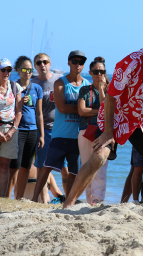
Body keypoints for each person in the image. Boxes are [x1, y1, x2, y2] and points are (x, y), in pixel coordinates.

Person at [63, 23, 143, 208]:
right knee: (98, 157)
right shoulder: (130, 62)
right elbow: (111, 98)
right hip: (117, 117)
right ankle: (68, 206)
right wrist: (109, 132)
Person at [32, 50, 90, 202]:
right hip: (60, 134)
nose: (78, 65)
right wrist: (82, 109)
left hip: (78, 136)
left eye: (81, 62)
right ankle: (33, 198)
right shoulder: (60, 83)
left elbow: (88, 109)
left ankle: (69, 201)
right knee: (47, 167)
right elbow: (62, 108)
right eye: (75, 61)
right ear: (69, 62)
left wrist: (84, 110)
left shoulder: (87, 85)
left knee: (73, 172)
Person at [30, 53, 65, 203]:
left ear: (50, 64)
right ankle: (44, 201)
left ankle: (69, 197)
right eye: (39, 63)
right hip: (41, 131)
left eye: (45, 62)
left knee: (65, 167)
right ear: (35, 66)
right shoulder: (33, 83)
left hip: (60, 129)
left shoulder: (58, 80)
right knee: (41, 167)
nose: (42, 64)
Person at [8, 56, 44, 200]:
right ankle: (6, 196)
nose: (27, 72)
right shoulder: (12, 86)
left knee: (26, 167)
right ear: (18, 70)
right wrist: (20, 102)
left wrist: (41, 135)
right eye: (24, 69)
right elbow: (8, 109)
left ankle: (19, 198)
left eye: (30, 69)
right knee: (14, 166)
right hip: (18, 130)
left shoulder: (37, 88)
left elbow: (39, 113)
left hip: (32, 131)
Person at [77, 57, 110, 205]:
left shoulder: (110, 90)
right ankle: (89, 199)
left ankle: (98, 200)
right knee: (87, 167)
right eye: (96, 71)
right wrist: (99, 112)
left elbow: (107, 109)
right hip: (86, 132)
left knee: (101, 168)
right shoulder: (85, 90)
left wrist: (102, 90)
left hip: (103, 134)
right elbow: (82, 111)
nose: (99, 74)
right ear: (90, 72)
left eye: (102, 71)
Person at [0, 58, 22, 197]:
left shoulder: (15, 87)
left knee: (5, 166)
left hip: (9, 130)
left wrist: (12, 130)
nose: (7, 72)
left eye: (9, 70)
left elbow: (19, 111)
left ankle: (1, 198)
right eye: (3, 69)